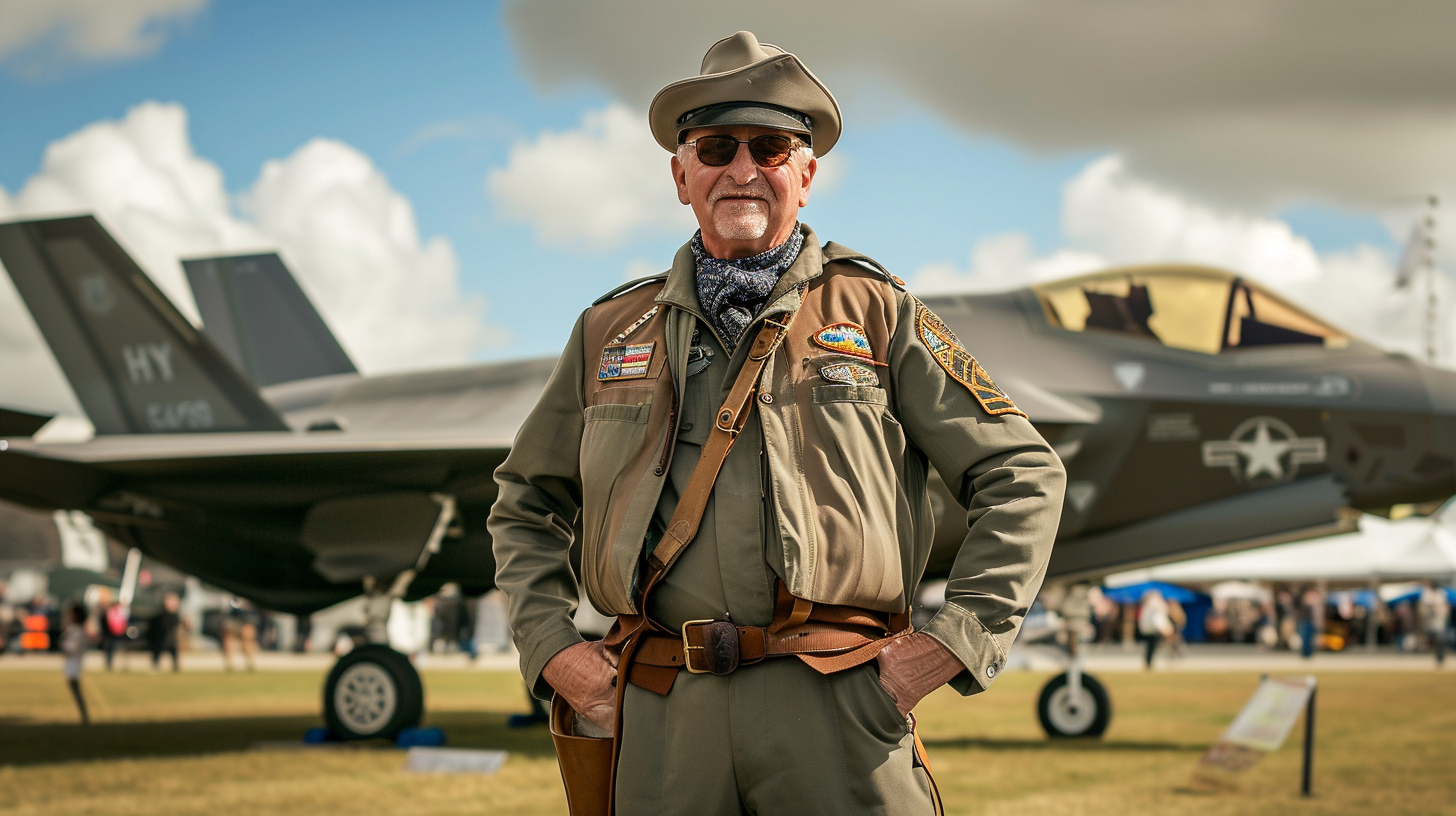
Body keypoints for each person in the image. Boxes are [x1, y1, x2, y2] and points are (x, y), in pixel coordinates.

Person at [488, 31, 1066, 814]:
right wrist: (555, 653)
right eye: (717, 146)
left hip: (837, 713)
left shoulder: (876, 314)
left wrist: (949, 644)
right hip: (662, 719)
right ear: (680, 175)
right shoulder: (609, 332)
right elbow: (524, 501)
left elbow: (1023, 474)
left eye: (769, 146)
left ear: (805, 172)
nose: (743, 169)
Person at [61, 603, 90, 724]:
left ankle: (84, 716)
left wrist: (63, 640)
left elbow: (71, 648)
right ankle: (84, 716)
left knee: (76, 690)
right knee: (75, 690)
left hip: (74, 664)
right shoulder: (77, 630)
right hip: (73, 663)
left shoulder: (75, 631)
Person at [146, 591, 183, 672]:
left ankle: (175, 668)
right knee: (157, 652)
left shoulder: (175, 615)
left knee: (173, 653)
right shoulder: (160, 614)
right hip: (161, 638)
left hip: (170, 639)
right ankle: (155, 666)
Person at [1417, 581, 1451, 668]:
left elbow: (1444, 608)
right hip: (1429, 621)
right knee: (1429, 640)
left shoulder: (1441, 594)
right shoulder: (1427, 594)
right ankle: (1432, 657)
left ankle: (1440, 659)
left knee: (1440, 640)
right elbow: (1423, 608)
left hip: (1438, 622)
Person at [1137, 589, 1172, 670]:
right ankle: (1149, 663)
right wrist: (1166, 629)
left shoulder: (1148, 605)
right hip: (1154, 630)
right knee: (1152, 647)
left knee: (1150, 647)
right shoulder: (1156, 605)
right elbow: (1158, 619)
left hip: (1149, 629)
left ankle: (1148, 662)